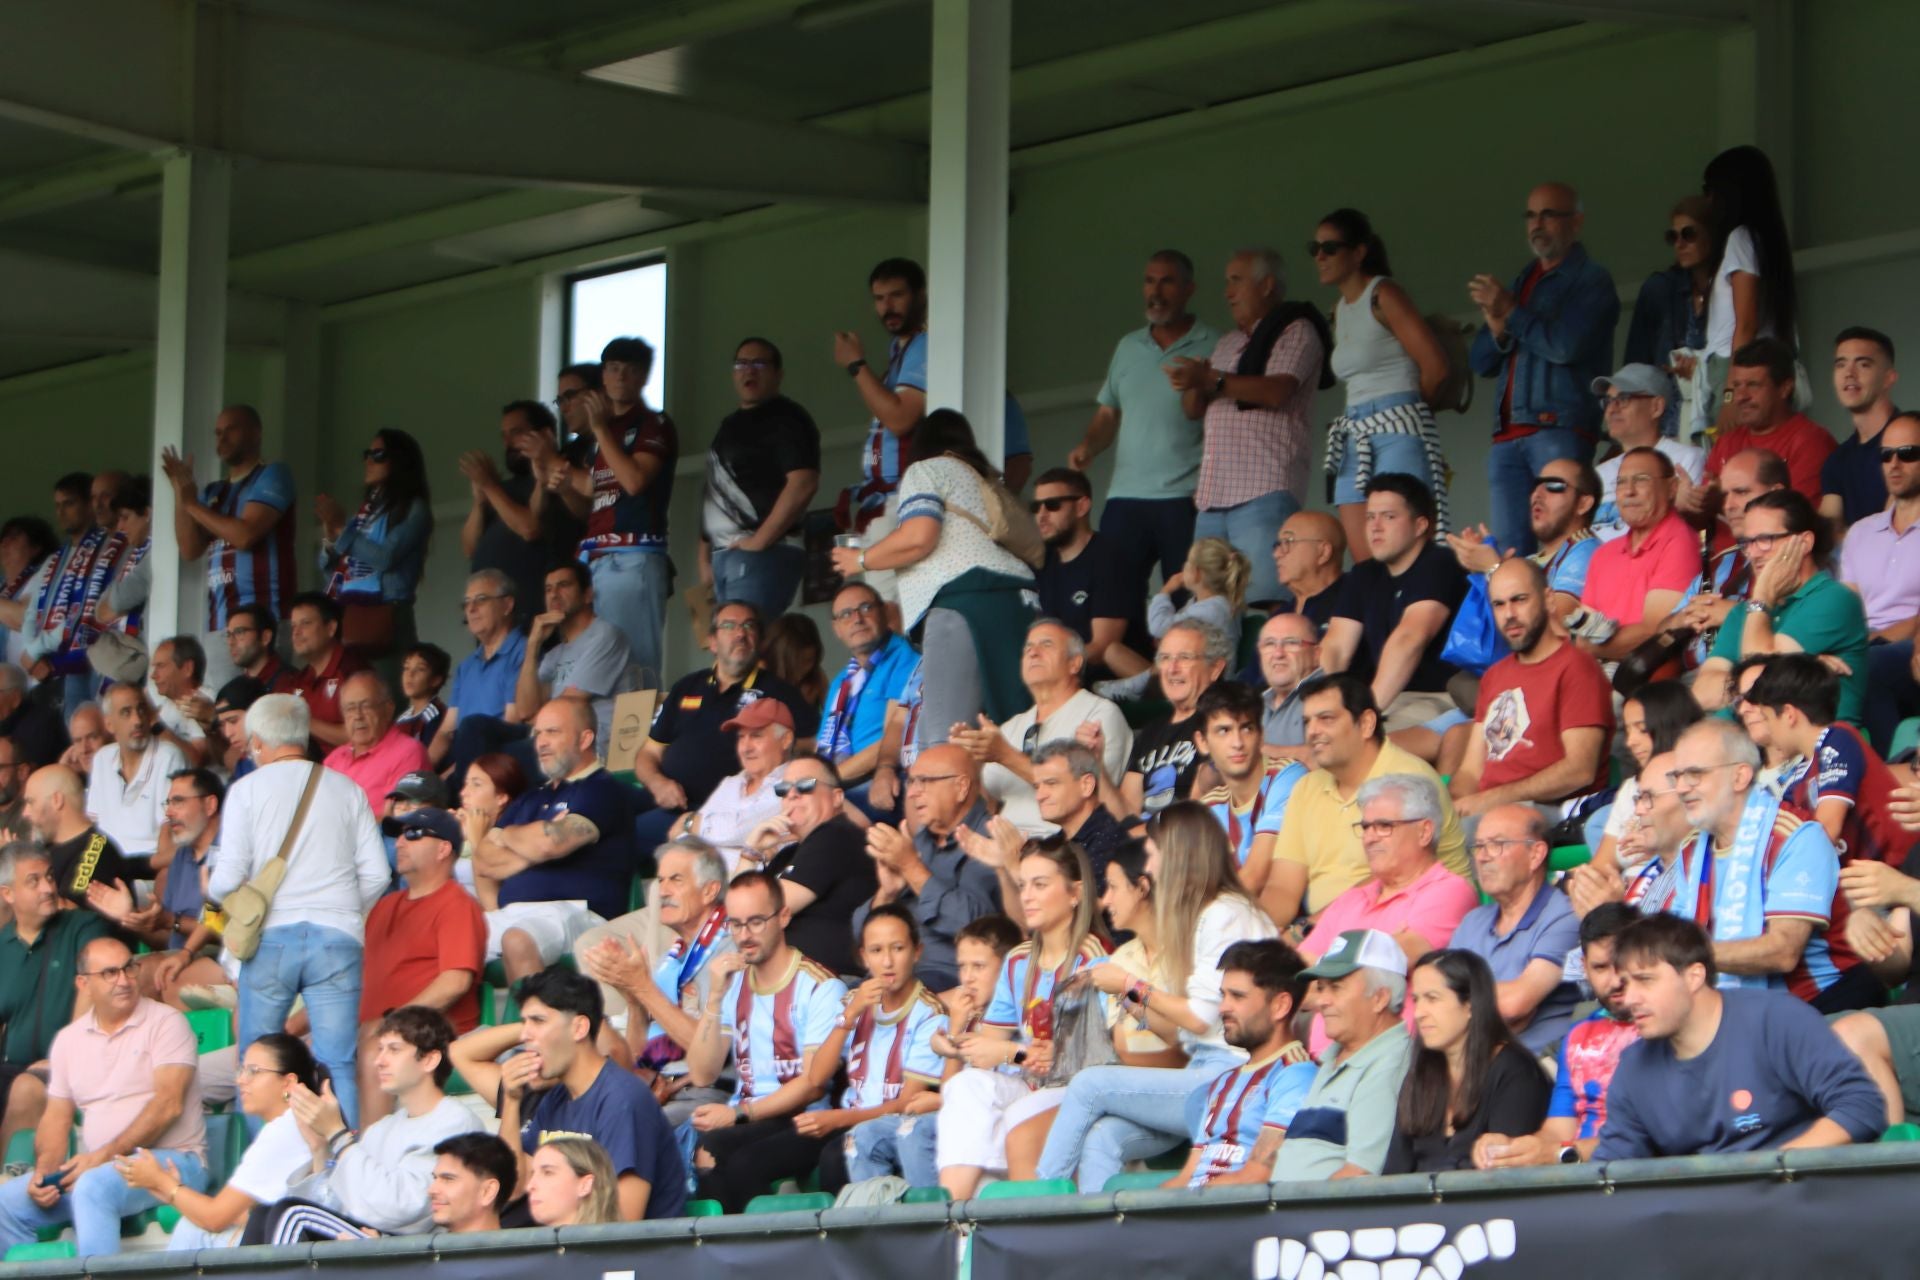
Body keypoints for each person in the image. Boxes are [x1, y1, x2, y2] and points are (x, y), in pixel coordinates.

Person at [1035, 805, 1279, 1192]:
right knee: (1104, 1136)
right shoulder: (1208, 913)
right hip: (1204, 1074)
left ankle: (1037, 1211)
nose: (1148, 862)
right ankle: (1099, 1239)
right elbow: (1187, 1036)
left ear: (1179, 853)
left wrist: (1132, 984)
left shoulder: (1225, 914)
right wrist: (1136, 1004)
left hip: (1233, 1078)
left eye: (1153, 850)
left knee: (1087, 1085)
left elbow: (1200, 1018)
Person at [210, 694, 389, 1126]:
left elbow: (225, 880)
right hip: (338, 936)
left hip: (272, 938)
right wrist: (343, 911)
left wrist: (220, 889)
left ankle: (267, 1180)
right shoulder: (347, 788)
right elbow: (379, 874)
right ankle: (337, 1171)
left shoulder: (245, 791)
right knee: (337, 1062)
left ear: (257, 742)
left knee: (256, 1063)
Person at [1593, 914, 1883, 1158]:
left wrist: (1772, 1168)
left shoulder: (1776, 1019)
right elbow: (1613, 1168)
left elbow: (1860, 1106)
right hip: (1705, 1217)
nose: (1629, 998)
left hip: (1800, 1199)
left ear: (1694, 976)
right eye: (1625, 984)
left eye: (1645, 980)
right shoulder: (1633, 1068)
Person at [829, 409, 1036, 741]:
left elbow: (919, 536)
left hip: (963, 603)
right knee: (1012, 734)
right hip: (1019, 602)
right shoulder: (984, 479)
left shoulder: (925, 470)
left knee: (946, 735)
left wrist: (862, 559)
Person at [0, 937, 205, 1259]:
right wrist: (45, 1172)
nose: (123, 980)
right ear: (84, 983)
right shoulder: (68, 1040)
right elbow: (56, 1117)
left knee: (92, 1186)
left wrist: (101, 1158)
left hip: (173, 1161)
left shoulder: (167, 1023)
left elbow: (168, 1105)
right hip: (103, 1168)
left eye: (128, 968)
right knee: (6, 1202)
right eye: (109, 973)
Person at [1643, 719, 1865, 1012]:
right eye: (1677, 776)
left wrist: (1681, 955)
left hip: (1816, 1007)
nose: (1682, 788)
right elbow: (1677, 936)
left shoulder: (1795, 836)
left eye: (1695, 774)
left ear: (1740, 776)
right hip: (1733, 1013)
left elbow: (1783, 951)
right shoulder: (1691, 851)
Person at [934, 839, 1106, 1201]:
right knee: (965, 1087)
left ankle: (1009, 1222)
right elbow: (990, 1046)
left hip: (1076, 1089)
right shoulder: (1017, 960)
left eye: (1040, 885)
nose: (1027, 895)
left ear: (1075, 893)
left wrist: (1012, 1053)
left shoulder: (1092, 957)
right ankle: (951, 1212)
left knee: (1015, 1113)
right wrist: (951, 1041)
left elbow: (1085, 1060)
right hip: (1031, 1081)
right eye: (1023, 884)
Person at [450, 965, 685, 1221]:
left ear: (579, 1028)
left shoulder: (623, 1099)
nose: (524, 1036)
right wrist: (511, 1100)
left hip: (623, 1257)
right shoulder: (555, 1098)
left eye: (538, 1021)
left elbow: (622, 1223)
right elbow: (517, 1187)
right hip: (570, 1249)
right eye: (524, 1023)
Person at [1168, 248, 1329, 607]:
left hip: (1264, 491)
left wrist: (1210, 377)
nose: (1227, 292)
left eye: (1236, 281)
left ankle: (1262, 664)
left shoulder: (1297, 330)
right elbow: (1194, 409)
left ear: (1268, 285)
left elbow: (1277, 390)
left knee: (1262, 600)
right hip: (1213, 495)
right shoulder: (1227, 343)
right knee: (1206, 604)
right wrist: (1192, 381)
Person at [1466, 182, 1620, 556]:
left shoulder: (1591, 280)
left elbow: (1566, 346)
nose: (1538, 224)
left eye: (1549, 214)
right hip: (1506, 438)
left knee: (1565, 542)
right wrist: (1499, 322)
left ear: (1577, 222)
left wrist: (1511, 312)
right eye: (1531, 215)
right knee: (1509, 556)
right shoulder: (1522, 280)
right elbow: (1481, 361)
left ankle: (1564, 612)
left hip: (1558, 428)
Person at [681, 871, 847, 1214]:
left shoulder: (820, 986)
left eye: (756, 922)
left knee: (731, 1158)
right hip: (750, 1116)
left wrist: (738, 1114)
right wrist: (714, 996)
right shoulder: (733, 985)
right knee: (691, 1151)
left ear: (783, 916)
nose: (744, 936)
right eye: (736, 924)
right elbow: (702, 1073)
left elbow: (813, 1085)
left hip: (805, 1118)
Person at [244, 1007, 484, 1244]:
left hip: (408, 1253)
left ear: (429, 1060)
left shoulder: (455, 1121)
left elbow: (405, 1209)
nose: (379, 1061)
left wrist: (337, 1134)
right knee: (263, 1214)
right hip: (366, 1240)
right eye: (380, 1049)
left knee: (292, 1214)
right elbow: (337, 1206)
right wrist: (320, 1148)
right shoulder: (381, 1129)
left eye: (394, 1050)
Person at [763, 905, 946, 1194]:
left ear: (917, 952)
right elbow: (817, 1077)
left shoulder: (931, 1015)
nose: (887, 961)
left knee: (833, 1159)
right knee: (752, 1160)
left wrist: (837, 1119)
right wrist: (849, 1016)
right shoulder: (854, 1000)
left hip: (882, 1125)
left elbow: (906, 1104)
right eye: (876, 951)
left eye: (898, 948)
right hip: (844, 1119)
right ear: (863, 957)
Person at [1067, 250, 1216, 605]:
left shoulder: (1214, 343)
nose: (1156, 291)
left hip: (1185, 497)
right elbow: (1108, 414)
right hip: (1125, 498)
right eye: (1150, 281)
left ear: (1189, 288)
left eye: (1167, 281)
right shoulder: (1128, 346)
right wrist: (1087, 446)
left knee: (1186, 597)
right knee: (1114, 600)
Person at [1262, 675, 1469, 929]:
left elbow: (1389, 881)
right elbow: (1282, 887)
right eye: (1307, 722)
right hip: (1328, 934)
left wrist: (1305, 932)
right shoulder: (1307, 787)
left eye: (1326, 719)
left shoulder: (1407, 780)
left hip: (1410, 928)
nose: (1313, 731)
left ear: (1367, 724)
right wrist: (1257, 935)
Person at [842, 914, 1022, 1188]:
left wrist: (940, 1102)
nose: (968, 978)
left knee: (913, 1129)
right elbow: (953, 1086)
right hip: (956, 1113)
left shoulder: (1023, 1018)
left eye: (979, 966)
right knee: (863, 1137)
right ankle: (879, 1224)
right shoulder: (966, 1016)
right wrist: (956, 1027)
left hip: (998, 1121)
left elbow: (1007, 1090)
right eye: (962, 967)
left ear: (1009, 967)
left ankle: (933, 1223)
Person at [1313, 208, 1453, 553]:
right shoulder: (1338, 310)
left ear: (1359, 252)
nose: (1319, 257)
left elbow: (1435, 367)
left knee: (1403, 545)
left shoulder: (1383, 294)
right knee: (1365, 553)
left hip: (1397, 427)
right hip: (1354, 431)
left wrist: (1406, 415)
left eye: (1330, 248)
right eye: (1314, 248)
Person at [473, 699, 637, 983]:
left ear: (585, 738)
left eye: (553, 732)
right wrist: (533, 841)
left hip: (577, 913)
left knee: (517, 940)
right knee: (437, 945)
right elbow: (484, 860)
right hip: (511, 913)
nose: (541, 743)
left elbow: (551, 844)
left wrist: (510, 835)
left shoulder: (602, 790)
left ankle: (532, 1026)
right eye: (538, 734)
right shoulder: (531, 797)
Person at [1473, 903, 1644, 1168]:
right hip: (1581, 1179)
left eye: (1622, 964)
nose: (1614, 980)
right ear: (1584, 967)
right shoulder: (1578, 1035)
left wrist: (1561, 1153)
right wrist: (1513, 1148)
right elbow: (1558, 1130)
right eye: (1600, 967)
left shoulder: (1662, 1026)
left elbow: (1647, 1136)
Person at [632, 600, 815, 846]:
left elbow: (813, 747)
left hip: (711, 810)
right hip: (662, 795)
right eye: (730, 626)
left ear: (759, 641)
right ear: (712, 642)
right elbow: (648, 753)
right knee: (601, 808)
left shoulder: (779, 691)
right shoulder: (688, 686)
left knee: (622, 839)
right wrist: (658, 784)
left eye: (749, 626)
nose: (741, 633)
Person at [578, 838, 735, 1123]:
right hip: (656, 1085)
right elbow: (638, 1053)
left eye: (676, 880)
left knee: (623, 1128)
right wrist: (633, 998)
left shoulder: (731, 949)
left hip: (704, 1092)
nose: (662, 890)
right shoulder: (671, 958)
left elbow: (708, 1052)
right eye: (660, 880)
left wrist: (643, 987)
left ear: (710, 890)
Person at [1448, 558, 1614, 820]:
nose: (1509, 614)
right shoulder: (1495, 676)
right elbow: (1471, 771)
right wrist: (1452, 807)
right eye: (1499, 604)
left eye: (1519, 600)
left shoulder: (1577, 668)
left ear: (1549, 600)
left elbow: (1580, 770)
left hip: (1549, 813)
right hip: (1491, 812)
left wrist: (1490, 800)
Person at [554, 336, 676, 687]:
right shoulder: (601, 436)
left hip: (633, 555)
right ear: (604, 375)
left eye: (632, 370)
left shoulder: (653, 425)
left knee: (634, 665)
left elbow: (634, 480)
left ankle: (640, 740)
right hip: (596, 559)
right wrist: (562, 484)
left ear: (644, 378)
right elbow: (593, 496)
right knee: (595, 667)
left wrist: (601, 430)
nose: (621, 377)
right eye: (613, 368)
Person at [121, 1034, 318, 1250]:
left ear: (288, 1082)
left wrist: (161, 1181)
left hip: (290, 1255)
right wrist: (167, 1188)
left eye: (254, 1071)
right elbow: (245, 1216)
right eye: (242, 1070)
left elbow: (214, 1219)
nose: (240, 1080)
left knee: (192, 1230)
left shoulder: (281, 1132)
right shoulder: (296, 1122)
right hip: (296, 1248)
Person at [1693, 490, 1868, 723]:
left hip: (1815, 750)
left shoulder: (1834, 599)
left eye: (1765, 540)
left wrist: (1762, 595)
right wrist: (1787, 671)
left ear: (1804, 542)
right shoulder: (1742, 613)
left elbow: (1758, 670)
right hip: (1743, 747)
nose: (1753, 553)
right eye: (1747, 542)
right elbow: (1702, 693)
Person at [1320, 474, 1468, 745]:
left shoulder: (1439, 563)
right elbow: (1336, 646)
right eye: (1369, 517)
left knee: (1356, 748)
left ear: (1420, 525)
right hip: (1382, 700)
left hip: (1439, 700)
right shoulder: (1364, 574)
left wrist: (1366, 713)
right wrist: (1323, 706)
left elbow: (1410, 638)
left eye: (1388, 517)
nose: (1375, 527)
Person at [357, 810, 486, 1120]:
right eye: (399, 834)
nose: (400, 842)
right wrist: (297, 1025)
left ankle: (369, 1156)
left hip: (433, 1035)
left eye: (413, 834)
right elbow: (354, 979)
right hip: (372, 1028)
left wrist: (392, 1023)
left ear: (443, 849)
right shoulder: (384, 906)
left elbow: (454, 982)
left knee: (376, 1052)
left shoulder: (457, 903)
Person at [1297, 775, 1479, 994]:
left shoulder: (1450, 891)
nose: (1369, 838)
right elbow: (1296, 981)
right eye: (1365, 827)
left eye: (1384, 826)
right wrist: (1376, 946)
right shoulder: (1351, 899)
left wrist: (1322, 971)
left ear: (1424, 832)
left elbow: (1385, 967)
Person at [1157, 939, 1315, 1189]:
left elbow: (1259, 1175)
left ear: (1280, 1006)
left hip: (1238, 1217)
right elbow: (1188, 1176)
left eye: (1237, 997)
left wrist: (1191, 1202)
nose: (1223, 1007)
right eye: (1223, 996)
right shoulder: (1223, 1082)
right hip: (1199, 1210)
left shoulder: (1295, 1073)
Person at [953, 618, 1131, 836]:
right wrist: (972, 763)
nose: (1033, 653)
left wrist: (1004, 755)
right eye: (1028, 647)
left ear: (1074, 663)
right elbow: (989, 804)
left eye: (1046, 645)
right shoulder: (1011, 727)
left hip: (1063, 847)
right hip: (1005, 847)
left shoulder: (1098, 714)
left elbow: (1084, 794)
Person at [161, 405, 298, 687]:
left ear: (256, 432)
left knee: (264, 716)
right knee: (227, 718)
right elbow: (189, 549)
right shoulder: (214, 492)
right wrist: (180, 495)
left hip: (266, 620)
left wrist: (192, 504)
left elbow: (246, 535)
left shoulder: (273, 474)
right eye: (217, 433)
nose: (221, 439)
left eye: (231, 430)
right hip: (221, 623)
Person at [1382, 949, 1550, 1173]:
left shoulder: (1516, 1072)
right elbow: (1395, 1174)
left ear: (1470, 1004)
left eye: (1432, 998)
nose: (1419, 1012)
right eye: (1416, 1000)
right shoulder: (1418, 1076)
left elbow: (1508, 1178)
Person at [1270, 928, 1413, 1181]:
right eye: (1321, 988)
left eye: (1335, 988)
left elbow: (1359, 1174)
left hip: (1319, 1217)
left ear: (1380, 998)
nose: (1321, 1001)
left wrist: (1285, 1215)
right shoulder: (1334, 1056)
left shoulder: (1390, 1062)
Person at [1747, 655, 1910, 870]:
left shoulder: (1839, 739)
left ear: (1788, 715)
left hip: (1900, 872)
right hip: (1862, 889)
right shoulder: (1798, 776)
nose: (1768, 730)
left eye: (1767, 719)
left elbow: (1825, 832)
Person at [859, 745, 1003, 988]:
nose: (913, 793)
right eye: (911, 782)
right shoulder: (920, 840)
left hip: (949, 979)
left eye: (924, 781)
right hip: (891, 976)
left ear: (961, 787)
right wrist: (887, 894)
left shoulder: (990, 839)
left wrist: (910, 866)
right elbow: (860, 936)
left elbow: (973, 926)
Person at [0, 842, 111, 1149]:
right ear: (7, 894)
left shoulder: (84, 927)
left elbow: (94, 989)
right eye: (33, 881)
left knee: (25, 1088)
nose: (48, 888)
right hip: (12, 1066)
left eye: (49, 877)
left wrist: (62, 1057)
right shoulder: (2, 946)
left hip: (74, 1065)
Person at [700, 337, 821, 617]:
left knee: (749, 645)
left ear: (778, 374)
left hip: (764, 552)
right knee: (731, 649)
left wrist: (760, 542)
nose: (749, 370)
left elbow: (803, 482)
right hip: (725, 554)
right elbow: (714, 487)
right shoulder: (728, 425)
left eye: (759, 363)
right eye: (741, 363)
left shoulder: (788, 418)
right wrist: (704, 555)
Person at [1448, 806, 1581, 1052]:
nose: (1482, 857)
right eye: (1478, 846)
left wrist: (1459, 1002)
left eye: (1497, 844)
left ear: (1536, 854)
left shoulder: (1566, 914)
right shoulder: (1472, 922)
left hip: (1535, 1067)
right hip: (1474, 1062)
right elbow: (1438, 1002)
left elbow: (1514, 1004)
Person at [741, 755, 877, 977]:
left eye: (805, 786)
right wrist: (751, 852)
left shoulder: (836, 835)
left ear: (837, 798)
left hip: (828, 982)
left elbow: (756, 912)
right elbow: (738, 914)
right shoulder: (789, 853)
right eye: (783, 789)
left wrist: (750, 854)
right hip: (788, 979)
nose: (792, 794)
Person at [460, 399, 584, 630]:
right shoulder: (502, 488)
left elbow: (530, 528)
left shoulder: (560, 477)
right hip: (490, 621)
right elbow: (469, 548)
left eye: (516, 432)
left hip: (529, 613)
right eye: (504, 435)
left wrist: (488, 485)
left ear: (545, 434)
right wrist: (479, 502)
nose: (508, 442)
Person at [315, 428, 433, 669]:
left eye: (378, 455)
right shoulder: (365, 512)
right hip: (351, 614)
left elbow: (385, 558)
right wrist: (330, 538)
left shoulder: (414, 509)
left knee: (387, 699)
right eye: (367, 454)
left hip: (388, 617)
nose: (368, 461)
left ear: (399, 461)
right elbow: (331, 574)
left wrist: (341, 530)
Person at [1573, 448, 1701, 663]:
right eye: (1621, 482)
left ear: (1672, 488)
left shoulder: (1680, 541)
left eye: (1641, 480)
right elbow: (1583, 632)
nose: (1628, 491)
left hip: (1645, 680)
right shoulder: (1603, 553)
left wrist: (1593, 648)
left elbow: (1656, 633)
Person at [834, 257, 931, 540]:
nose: (887, 307)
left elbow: (899, 420)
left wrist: (856, 365)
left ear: (920, 295)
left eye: (897, 296)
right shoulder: (898, 350)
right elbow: (881, 436)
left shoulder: (926, 343)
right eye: (879, 298)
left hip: (905, 498)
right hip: (881, 499)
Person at [11, 472, 116, 715]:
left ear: (89, 505)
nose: (61, 512)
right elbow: (32, 611)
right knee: (72, 730)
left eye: (69, 503)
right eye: (57, 505)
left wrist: (35, 651)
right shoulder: (55, 559)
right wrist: (31, 650)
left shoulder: (105, 549)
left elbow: (86, 610)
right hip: (55, 663)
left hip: (90, 656)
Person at [1030, 468, 1149, 680]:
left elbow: (1102, 647)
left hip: (1110, 681)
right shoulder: (1043, 560)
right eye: (1036, 507)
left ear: (1082, 506)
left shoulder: (1110, 558)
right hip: (1064, 677)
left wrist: (1047, 665)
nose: (1042, 515)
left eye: (1053, 505)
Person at [1097, 537, 1248, 702]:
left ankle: (1133, 689)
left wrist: (1166, 590)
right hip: (1187, 671)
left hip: (1205, 685)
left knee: (1166, 661)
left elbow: (1157, 626)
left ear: (1197, 573)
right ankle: (1133, 688)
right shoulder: (1206, 603)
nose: (1183, 568)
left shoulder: (1212, 609)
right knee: (1113, 651)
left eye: (1188, 563)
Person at [1580, 681, 1703, 883]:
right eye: (1628, 731)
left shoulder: (1699, 780)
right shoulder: (1630, 789)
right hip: (1628, 895)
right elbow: (1602, 865)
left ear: (1670, 725)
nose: (1630, 742)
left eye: (1642, 729)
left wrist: (1660, 847)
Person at [1698, 146, 1800, 391]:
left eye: (1708, 190)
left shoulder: (1741, 239)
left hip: (1734, 367)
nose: (1706, 200)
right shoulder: (1765, 242)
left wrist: (1732, 390)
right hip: (1757, 367)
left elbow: (1746, 324)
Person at [509, 562, 633, 757]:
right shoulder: (555, 653)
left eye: (564, 585)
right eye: (548, 589)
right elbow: (525, 710)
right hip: (552, 737)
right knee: (479, 729)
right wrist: (533, 646)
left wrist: (536, 717)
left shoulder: (605, 635)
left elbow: (568, 705)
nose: (554, 594)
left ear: (588, 595)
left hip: (588, 744)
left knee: (505, 756)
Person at [1194, 681, 1306, 894]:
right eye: (1223, 731)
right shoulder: (1209, 807)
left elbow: (1256, 876)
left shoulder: (1287, 776)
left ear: (1261, 734)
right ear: (1202, 742)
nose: (1237, 742)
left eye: (1246, 728)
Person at [660, 697, 795, 869]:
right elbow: (683, 839)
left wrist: (690, 821)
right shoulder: (731, 783)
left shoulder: (792, 783)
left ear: (785, 739)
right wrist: (737, 846)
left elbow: (735, 830)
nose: (745, 748)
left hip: (749, 886)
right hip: (702, 880)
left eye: (756, 736)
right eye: (741, 737)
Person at [1698, 338, 1833, 505]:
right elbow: (1702, 517)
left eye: (1753, 385)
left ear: (1785, 388)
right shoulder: (1726, 442)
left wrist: (1723, 497)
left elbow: (1795, 518)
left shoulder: (1811, 442)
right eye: (1737, 386)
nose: (1741, 396)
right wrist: (1689, 503)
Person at [1122, 619, 1230, 816]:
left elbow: (1202, 806)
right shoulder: (1150, 732)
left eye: (1185, 657)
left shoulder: (1225, 721)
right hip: (1141, 839)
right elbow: (1127, 809)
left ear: (1215, 668)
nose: (1172, 669)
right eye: (1165, 658)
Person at [1623, 196, 1713, 431]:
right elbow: (1635, 367)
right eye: (1672, 237)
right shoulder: (1659, 289)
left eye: (1689, 234)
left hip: (1715, 415)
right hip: (1665, 422)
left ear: (1713, 235)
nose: (1679, 244)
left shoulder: (1731, 288)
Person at [818, 581, 917, 794]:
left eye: (865, 608)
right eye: (846, 614)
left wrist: (825, 780)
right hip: (838, 784)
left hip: (880, 780)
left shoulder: (904, 658)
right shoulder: (842, 681)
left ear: (884, 612)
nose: (857, 619)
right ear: (836, 629)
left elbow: (897, 736)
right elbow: (823, 743)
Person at [1588, 363, 1705, 540]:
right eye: (1608, 401)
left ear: (1656, 407)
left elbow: (1687, 533)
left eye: (1624, 398)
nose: (1612, 409)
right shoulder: (1599, 473)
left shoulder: (1686, 458)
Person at [1839, 412, 1920, 643]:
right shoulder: (1860, 532)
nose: (1894, 464)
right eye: (1886, 455)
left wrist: (1871, 643)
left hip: (1908, 647)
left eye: (1908, 454)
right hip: (1858, 645)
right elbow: (1848, 609)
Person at [439, 570, 527, 772]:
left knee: (474, 727)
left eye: (481, 600)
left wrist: (455, 771)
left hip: (498, 763)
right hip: (463, 762)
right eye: (466, 603)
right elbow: (446, 731)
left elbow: (512, 722)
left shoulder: (523, 651)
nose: (471, 609)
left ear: (507, 605)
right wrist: (419, 771)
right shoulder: (467, 666)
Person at [88, 683, 187, 859]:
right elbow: (94, 828)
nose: (138, 721)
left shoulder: (168, 756)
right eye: (126, 713)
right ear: (109, 724)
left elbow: (170, 832)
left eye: (141, 710)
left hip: (148, 865)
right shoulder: (102, 758)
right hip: (108, 865)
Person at [25, 763, 141, 909]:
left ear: (56, 800)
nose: (25, 813)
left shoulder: (96, 849)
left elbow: (69, 912)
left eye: (31, 802)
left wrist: (15, 879)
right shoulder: (44, 848)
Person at [1821, 327, 1902, 531]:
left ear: (1888, 378)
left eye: (1863, 364)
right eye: (1841, 365)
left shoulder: (1911, 444)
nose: (1849, 374)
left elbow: (1893, 528)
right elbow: (1829, 532)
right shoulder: (1837, 461)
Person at [324, 672, 431, 819]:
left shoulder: (408, 752)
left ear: (388, 709)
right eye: (350, 708)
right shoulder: (334, 759)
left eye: (366, 706)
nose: (358, 716)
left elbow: (396, 819)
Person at [1024, 740, 1130, 886]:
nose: (1039, 796)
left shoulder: (1110, 840)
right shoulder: (1055, 842)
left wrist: (1013, 868)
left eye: (1051, 783)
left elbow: (1091, 906)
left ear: (1086, 785)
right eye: (1037, 787)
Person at [285, 592, 369, 754]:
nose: (296, 633)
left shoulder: (353, 670)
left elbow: (363, 734)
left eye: (305, 624)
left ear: (330, 628)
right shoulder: (300, 679)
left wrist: (305, 722)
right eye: (293, 626)